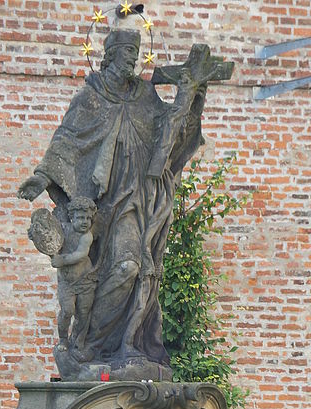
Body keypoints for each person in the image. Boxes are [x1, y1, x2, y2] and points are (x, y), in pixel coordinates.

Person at [18, 28, 207, 377]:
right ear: (109, 56)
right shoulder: (91, 98)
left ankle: (122, 343)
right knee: (114, 270)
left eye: (136, 54)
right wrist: (43, 177)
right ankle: (89, 343)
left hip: (138, 200)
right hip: (98, 206)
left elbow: (170, 133)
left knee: (130, 268)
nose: (132, 60)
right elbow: (67, 141)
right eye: (127, 54)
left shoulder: (144, 96)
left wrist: (193, 97)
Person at [51, 197, 97, 352]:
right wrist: (36, 235)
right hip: (67, 283)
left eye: (88, 218)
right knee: (67, 310)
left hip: (85, 281)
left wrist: (62, 260)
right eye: (81, 218)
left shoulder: (87, 236)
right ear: (72, 217)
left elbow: (81, 254)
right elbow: (47, 237)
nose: (85, 222)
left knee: (83, 313)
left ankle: (78, 342)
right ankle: (63, 339)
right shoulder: (63, 229)